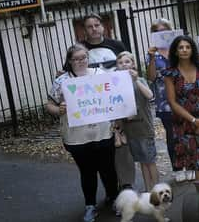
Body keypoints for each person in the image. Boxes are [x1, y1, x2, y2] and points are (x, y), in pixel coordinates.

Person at [46, 44, 118, 222]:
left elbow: (114, 97)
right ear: (69, 61)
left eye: (83, 58)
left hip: (103, 132)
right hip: (76, 137)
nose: (80, 62)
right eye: (76, 59)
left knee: (108, 169)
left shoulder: (100, 76)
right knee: (87, 171)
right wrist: (58, 110)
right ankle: (90, 206)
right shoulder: (62, 81)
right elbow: (49, 104)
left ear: (88, 58)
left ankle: (114, 198)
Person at [80, 13, 135, 190]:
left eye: (97, 25)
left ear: (103, 26)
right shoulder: (80, 49)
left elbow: (128, 67)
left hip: (117, 102)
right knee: (103, 148)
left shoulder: (116, 45)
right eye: (90, 26)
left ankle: (126, 183)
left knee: (122, 145)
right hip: (95, 107)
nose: (94, 29)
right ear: (85, 30)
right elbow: (74, 74)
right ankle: (111, 188)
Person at [164, 36, 199, 180]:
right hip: (184, 123)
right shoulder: (170, 73)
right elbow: (172, 102)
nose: (185, 50)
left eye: (188, 47)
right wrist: (194, 120)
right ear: (175, 51)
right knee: (195, 160)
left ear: (192, 50)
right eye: (181, 47)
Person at [115, 52, 158, 191]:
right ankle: (148, 189)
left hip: (144, 128)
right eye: (120, 63)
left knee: (150, 161)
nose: (124, 65)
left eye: (127, 62)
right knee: (142, 162)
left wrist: (136, 81)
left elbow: (150, 95)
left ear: (133, 64)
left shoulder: (140, 80)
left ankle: (157, 189)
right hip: (130, 130)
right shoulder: (117, 84)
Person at [146, 18, 182, 180]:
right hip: (164, 102)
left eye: (164, 31)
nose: (161, 34)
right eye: (157, 32)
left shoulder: (179, 49)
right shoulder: (152, 55)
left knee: (187, 133)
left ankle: (192, 164)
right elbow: (151, 77)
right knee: (172, 135)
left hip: (183, 98)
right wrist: (152, 58)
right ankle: (177, 167)